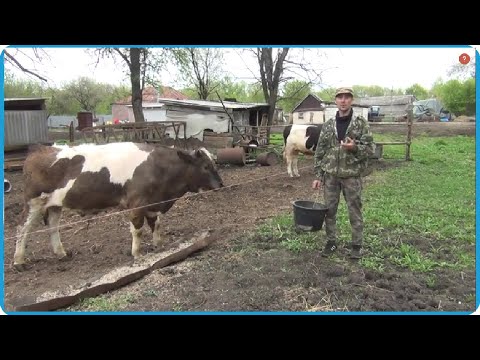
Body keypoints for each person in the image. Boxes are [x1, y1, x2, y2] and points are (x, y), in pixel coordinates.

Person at [312, 87, 375, 259]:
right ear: (336, 101)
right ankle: (331, 242)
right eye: (340, 97)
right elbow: (320, 151)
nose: (343, 100)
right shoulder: (328, 125)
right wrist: (318, 175)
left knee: (354, 210)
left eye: (347, 97)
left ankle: (356, 246)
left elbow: (370, 149)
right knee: (329, 211)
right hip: (330, 175)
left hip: (351, 176)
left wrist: (354, 147)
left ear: (351, 100)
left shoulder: (360, 123)